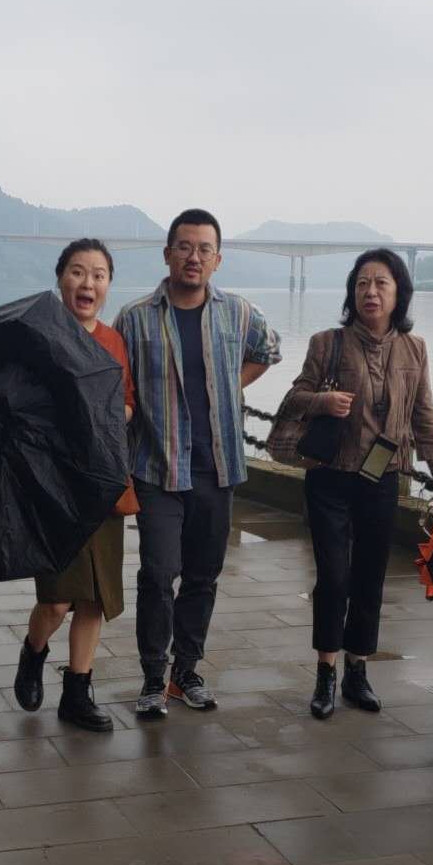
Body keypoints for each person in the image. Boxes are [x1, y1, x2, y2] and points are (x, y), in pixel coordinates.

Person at [114, 208, 280, 717]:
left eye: (205, 249)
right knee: (158, 573)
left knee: (203, 576)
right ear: (167, 254)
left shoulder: (239, 312)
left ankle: (186, 672)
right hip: (157, 467)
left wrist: (229, 383)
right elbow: (118, 383)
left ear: (218, 259)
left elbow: (268, 350)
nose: (194, 257)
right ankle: (152, 676)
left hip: (216, 467)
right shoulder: (135, 317)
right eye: (185, 247)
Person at [285, 248, 433, 720]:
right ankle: (326, 671)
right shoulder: (327, 343)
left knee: (369, 577)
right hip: (329, 478)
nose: (370, 292)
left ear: (399, 293)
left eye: (381, 283)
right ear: (352, 293)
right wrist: (323, 401)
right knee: (334, 576)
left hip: (382, 479)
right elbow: (295, 396)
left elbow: (424, 415)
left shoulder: (415, 348)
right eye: (362, 283)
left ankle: (357, 670)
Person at [13, 238, 138, 733]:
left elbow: (128, 403)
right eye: (78, 272)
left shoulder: (113, 341)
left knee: (94, 598)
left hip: (102, 483)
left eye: (98, 275)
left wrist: (109, 414)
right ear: (61, 278)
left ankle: (78, 693)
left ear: (107, 285)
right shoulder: (36, 337)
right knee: (57, 600)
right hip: (52, 487)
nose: (88, 283)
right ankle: (33, 651)